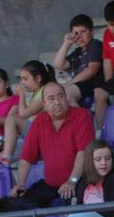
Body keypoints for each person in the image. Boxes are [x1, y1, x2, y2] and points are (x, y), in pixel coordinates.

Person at [11, 82, 95, 210]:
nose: (57, 102)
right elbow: (26, 157)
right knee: (20, 203)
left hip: (79, 181)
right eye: (51, 99)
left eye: (60, 96)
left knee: (69, 207)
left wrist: (72, 181)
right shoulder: (40, 121)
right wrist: (21, 184)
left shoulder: (81, 115)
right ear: (44, 104)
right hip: (50, 185)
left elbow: (83, 152)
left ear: (66, 98)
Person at [54, 17, 107, 123]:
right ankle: (84, 122)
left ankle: (85, 124)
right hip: (80, 86)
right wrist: (66, 44)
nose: (80, 36)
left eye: (83, 31)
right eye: (76, 33)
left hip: (93, 84)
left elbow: (92, 70)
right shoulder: (77, 52)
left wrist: (69, 84)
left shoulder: (95, 45)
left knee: (67, 94)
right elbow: (58, 64)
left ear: (92, 31)